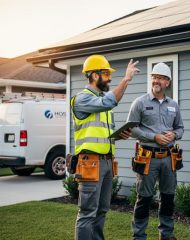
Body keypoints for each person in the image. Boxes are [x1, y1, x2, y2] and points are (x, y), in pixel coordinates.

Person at [71, 54, 139, 240]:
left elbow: (100, 134)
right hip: (90, 164)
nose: (109, 78)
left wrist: (118, 136)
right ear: (94, 75)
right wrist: (126, 79)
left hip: (106, 162)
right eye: (106, 74)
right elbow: (110, 101)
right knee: (87, 212)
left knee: (101, 210)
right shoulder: (82, 99)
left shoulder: (101, 101)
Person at [127, 62, 184, 240]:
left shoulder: (174, 105)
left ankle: (166, 235)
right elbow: (131, 130)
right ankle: (139, 236)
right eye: (154, 77)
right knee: (144, 198)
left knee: (168, 197)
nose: (156, 81)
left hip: (169, 158)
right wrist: (154, 138)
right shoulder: (140, 103)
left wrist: (173, 134)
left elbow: (180, 128)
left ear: (168, 82)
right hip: (147, 157)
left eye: (160, 78)